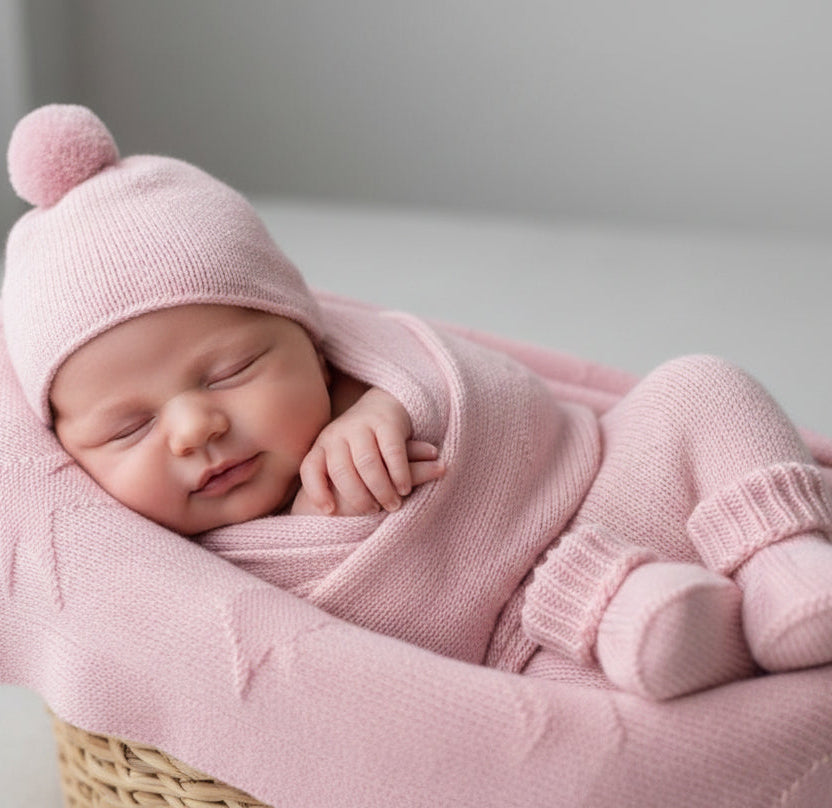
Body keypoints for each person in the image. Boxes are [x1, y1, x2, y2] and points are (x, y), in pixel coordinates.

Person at [5, 104, 832, 701]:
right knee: (582, 693)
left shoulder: (370, 373)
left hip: (605, 486)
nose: (196, 427)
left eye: (231, 370)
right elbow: (336, 684)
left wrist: (388, 402)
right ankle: (701, 639)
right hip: (532, 637)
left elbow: (492, 388)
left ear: (309, 340)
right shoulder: (170, 572)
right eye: (130, 427)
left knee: (698, 386)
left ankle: (785, 563)